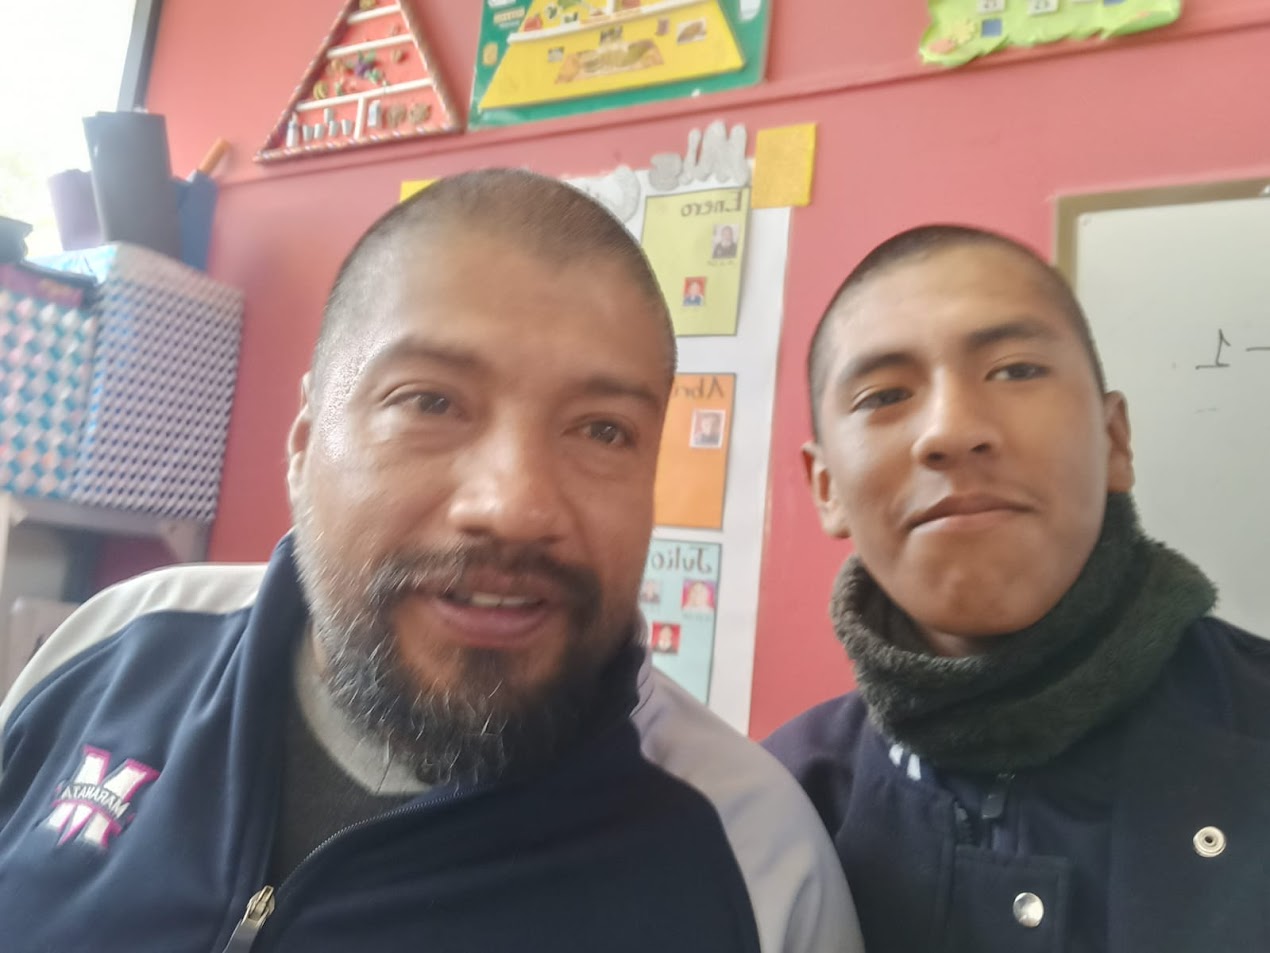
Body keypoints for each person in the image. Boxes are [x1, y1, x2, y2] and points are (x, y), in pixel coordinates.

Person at [0, 170, 862, 952]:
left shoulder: (757, 863)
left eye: (603, 430)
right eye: (431, 402)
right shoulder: (111, 647)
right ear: (304, 440)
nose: (514, 506)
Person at [765, 224, 1270, 953]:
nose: (950, 430)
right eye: (884, 394)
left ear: (1114, 440)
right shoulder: (774, 812)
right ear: (826, 489)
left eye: (1015, 371)